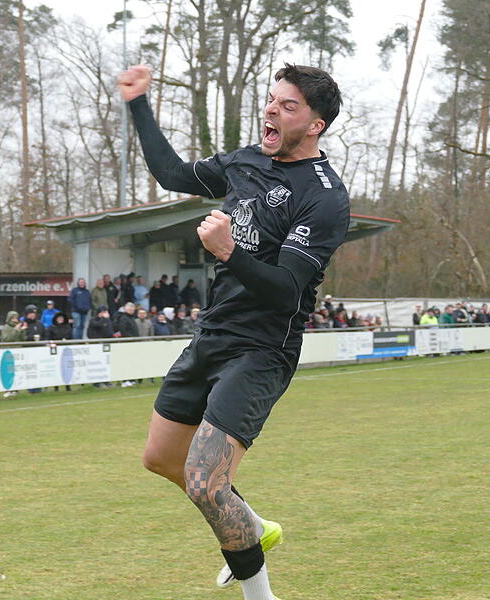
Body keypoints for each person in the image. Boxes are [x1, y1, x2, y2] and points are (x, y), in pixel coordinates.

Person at [121, 61, 348, 599]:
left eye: (288, 106)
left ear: (315, 124)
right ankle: (255, 526)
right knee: (162, 460)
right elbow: (174, 175)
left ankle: (260, 595)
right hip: (214, 334)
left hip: (263, 349)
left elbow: (286, 291)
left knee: (204, 481)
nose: (272, 110)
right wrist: (138, 102)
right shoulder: (246, 161)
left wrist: (229, 251)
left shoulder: (325, 197)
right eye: (272, 100)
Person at [47, 312, 73, 392]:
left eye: (61, 318)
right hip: (56, 350)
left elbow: (71, 337)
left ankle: (67, 386)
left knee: (66, 368)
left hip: (65, 350)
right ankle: (56, 386)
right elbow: (48, 337)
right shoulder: (51, 327)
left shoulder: (67, 327)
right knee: (56, 368)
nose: (60, 319)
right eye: (59, 318)